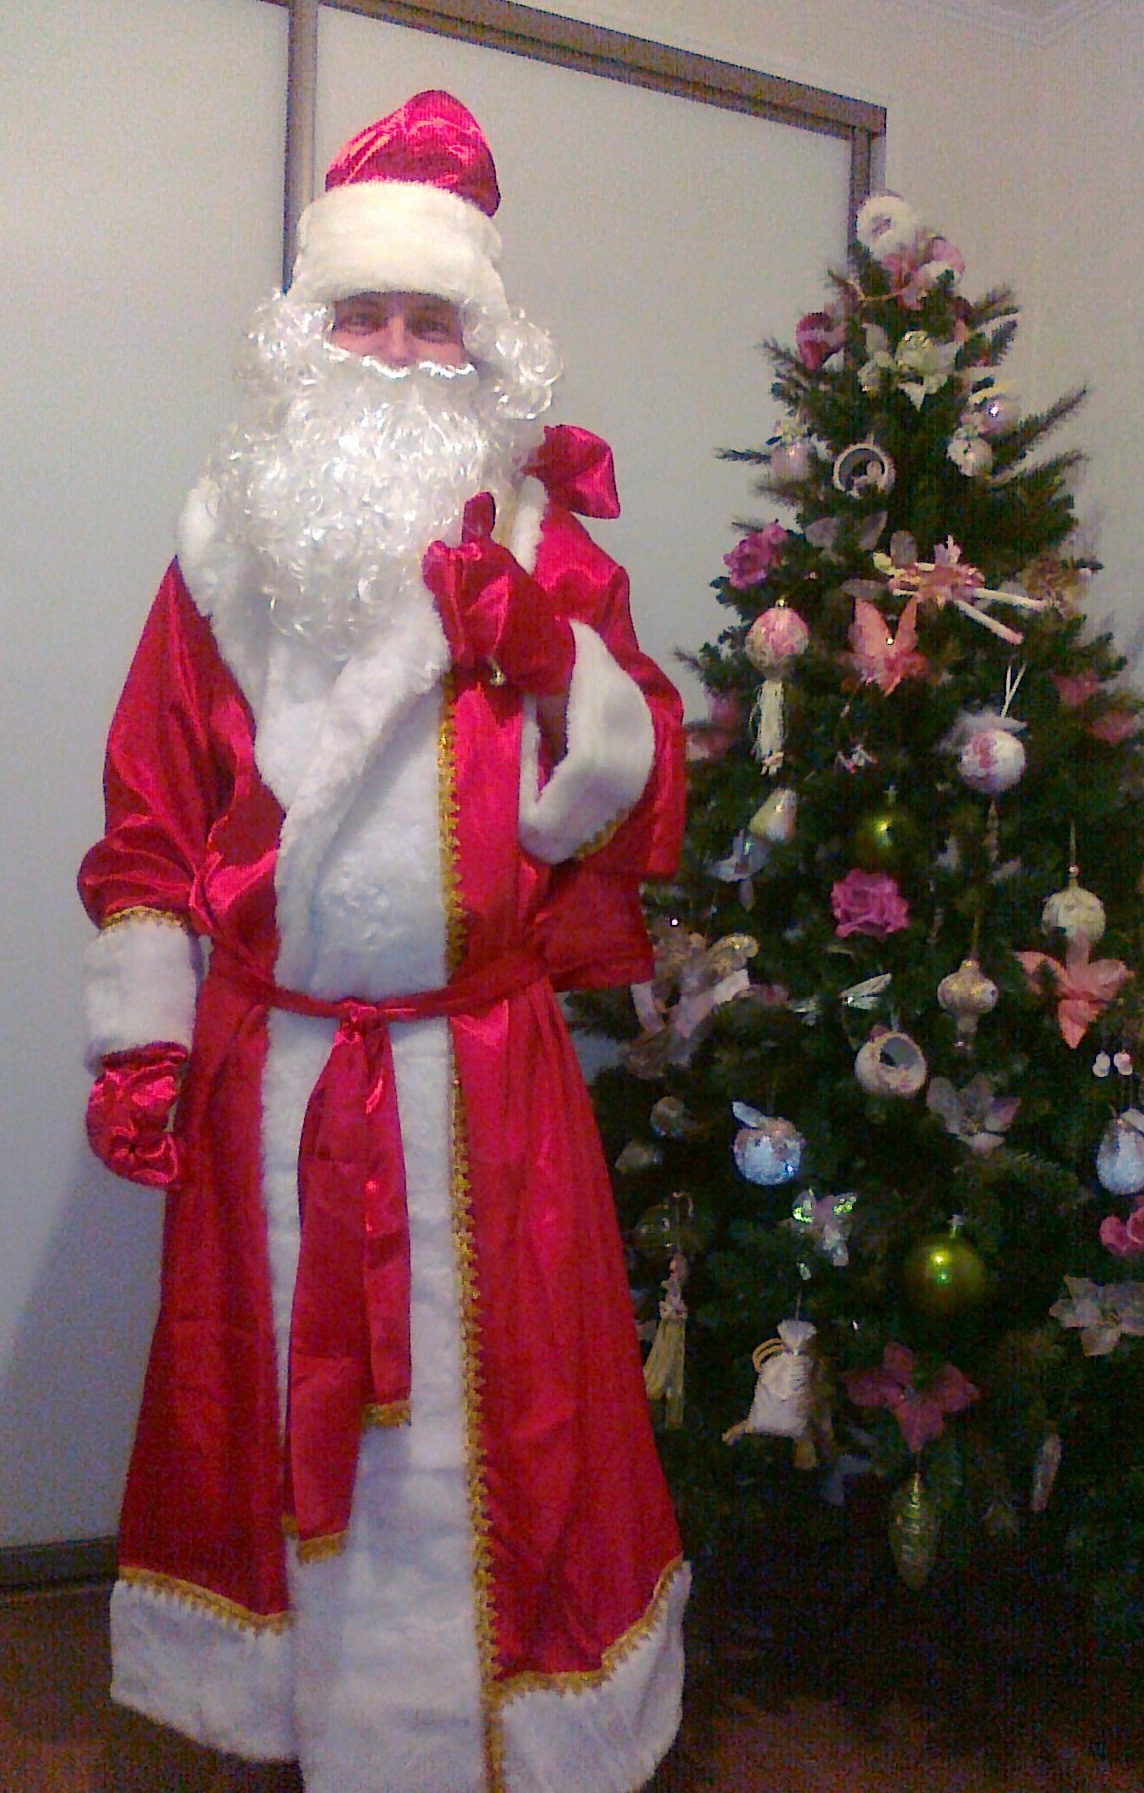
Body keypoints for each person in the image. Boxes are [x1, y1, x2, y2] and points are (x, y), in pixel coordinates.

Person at [79, 90, 688, 1793]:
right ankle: (288, 1716)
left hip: (482, 1079)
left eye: (436, 320)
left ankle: (512, 1729)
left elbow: (642, 789)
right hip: (275, 1076)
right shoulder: (221, 554)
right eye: (367, 315)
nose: (402, 352)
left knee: (514, 1414)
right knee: (265, 1394)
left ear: (483, 349)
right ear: (310, 336)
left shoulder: (550, 550)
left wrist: (553, 656)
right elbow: (149, 796)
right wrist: (140, 1034)